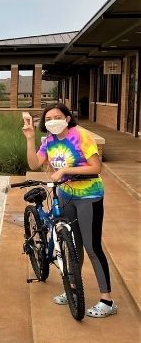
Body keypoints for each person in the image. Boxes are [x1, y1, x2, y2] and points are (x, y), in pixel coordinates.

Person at [23, 103, 116, 318]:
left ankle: (107, 301)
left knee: (92, 247)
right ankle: (73, 288)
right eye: (48, 119)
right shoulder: (48, 141)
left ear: (67, 118)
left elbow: (96, 167)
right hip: (65, 195)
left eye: (57, 116)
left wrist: (65, 170)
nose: (52, 121)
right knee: (72, 246)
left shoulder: (80, 135)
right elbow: (35, 163)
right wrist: (29, 138)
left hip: (88, 196)